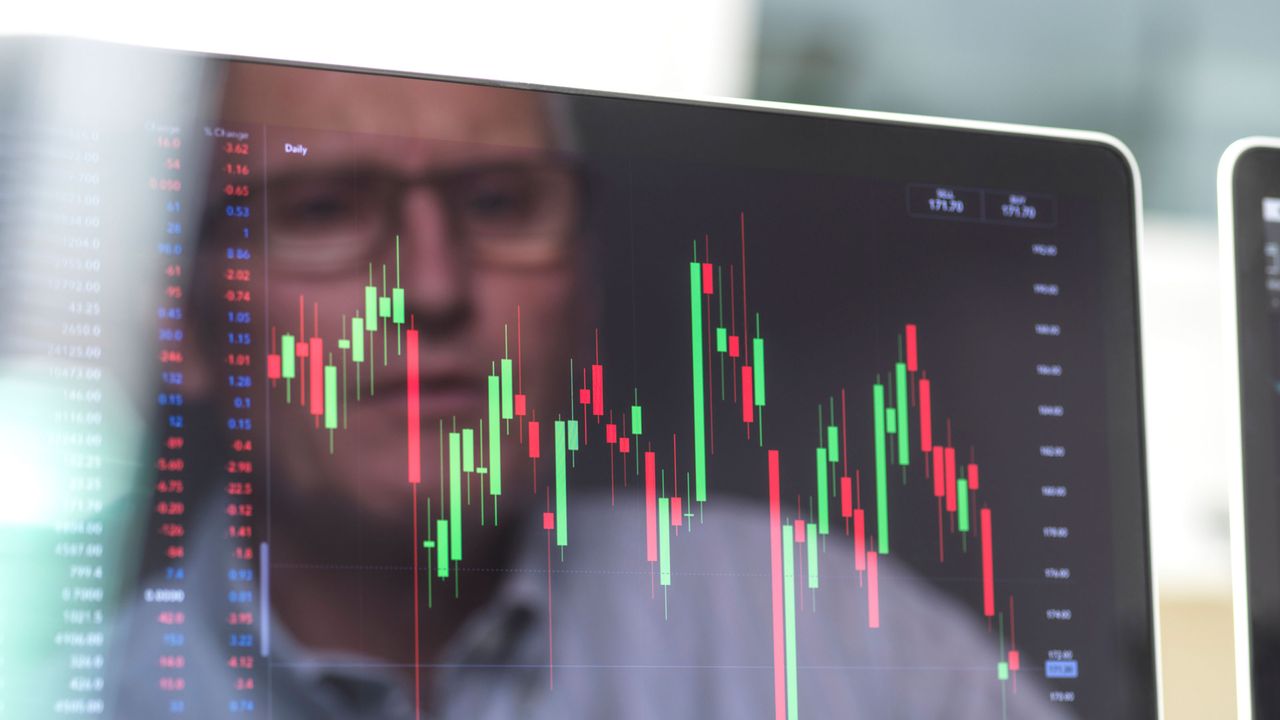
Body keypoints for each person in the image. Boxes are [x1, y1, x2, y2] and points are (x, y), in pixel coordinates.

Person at [111, 61, 1069, 719]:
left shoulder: (826, 631)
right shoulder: (70, 690)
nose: (432, 289)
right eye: (320, 209)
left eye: (500, 203)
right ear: (181, 319)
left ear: (585, 283)